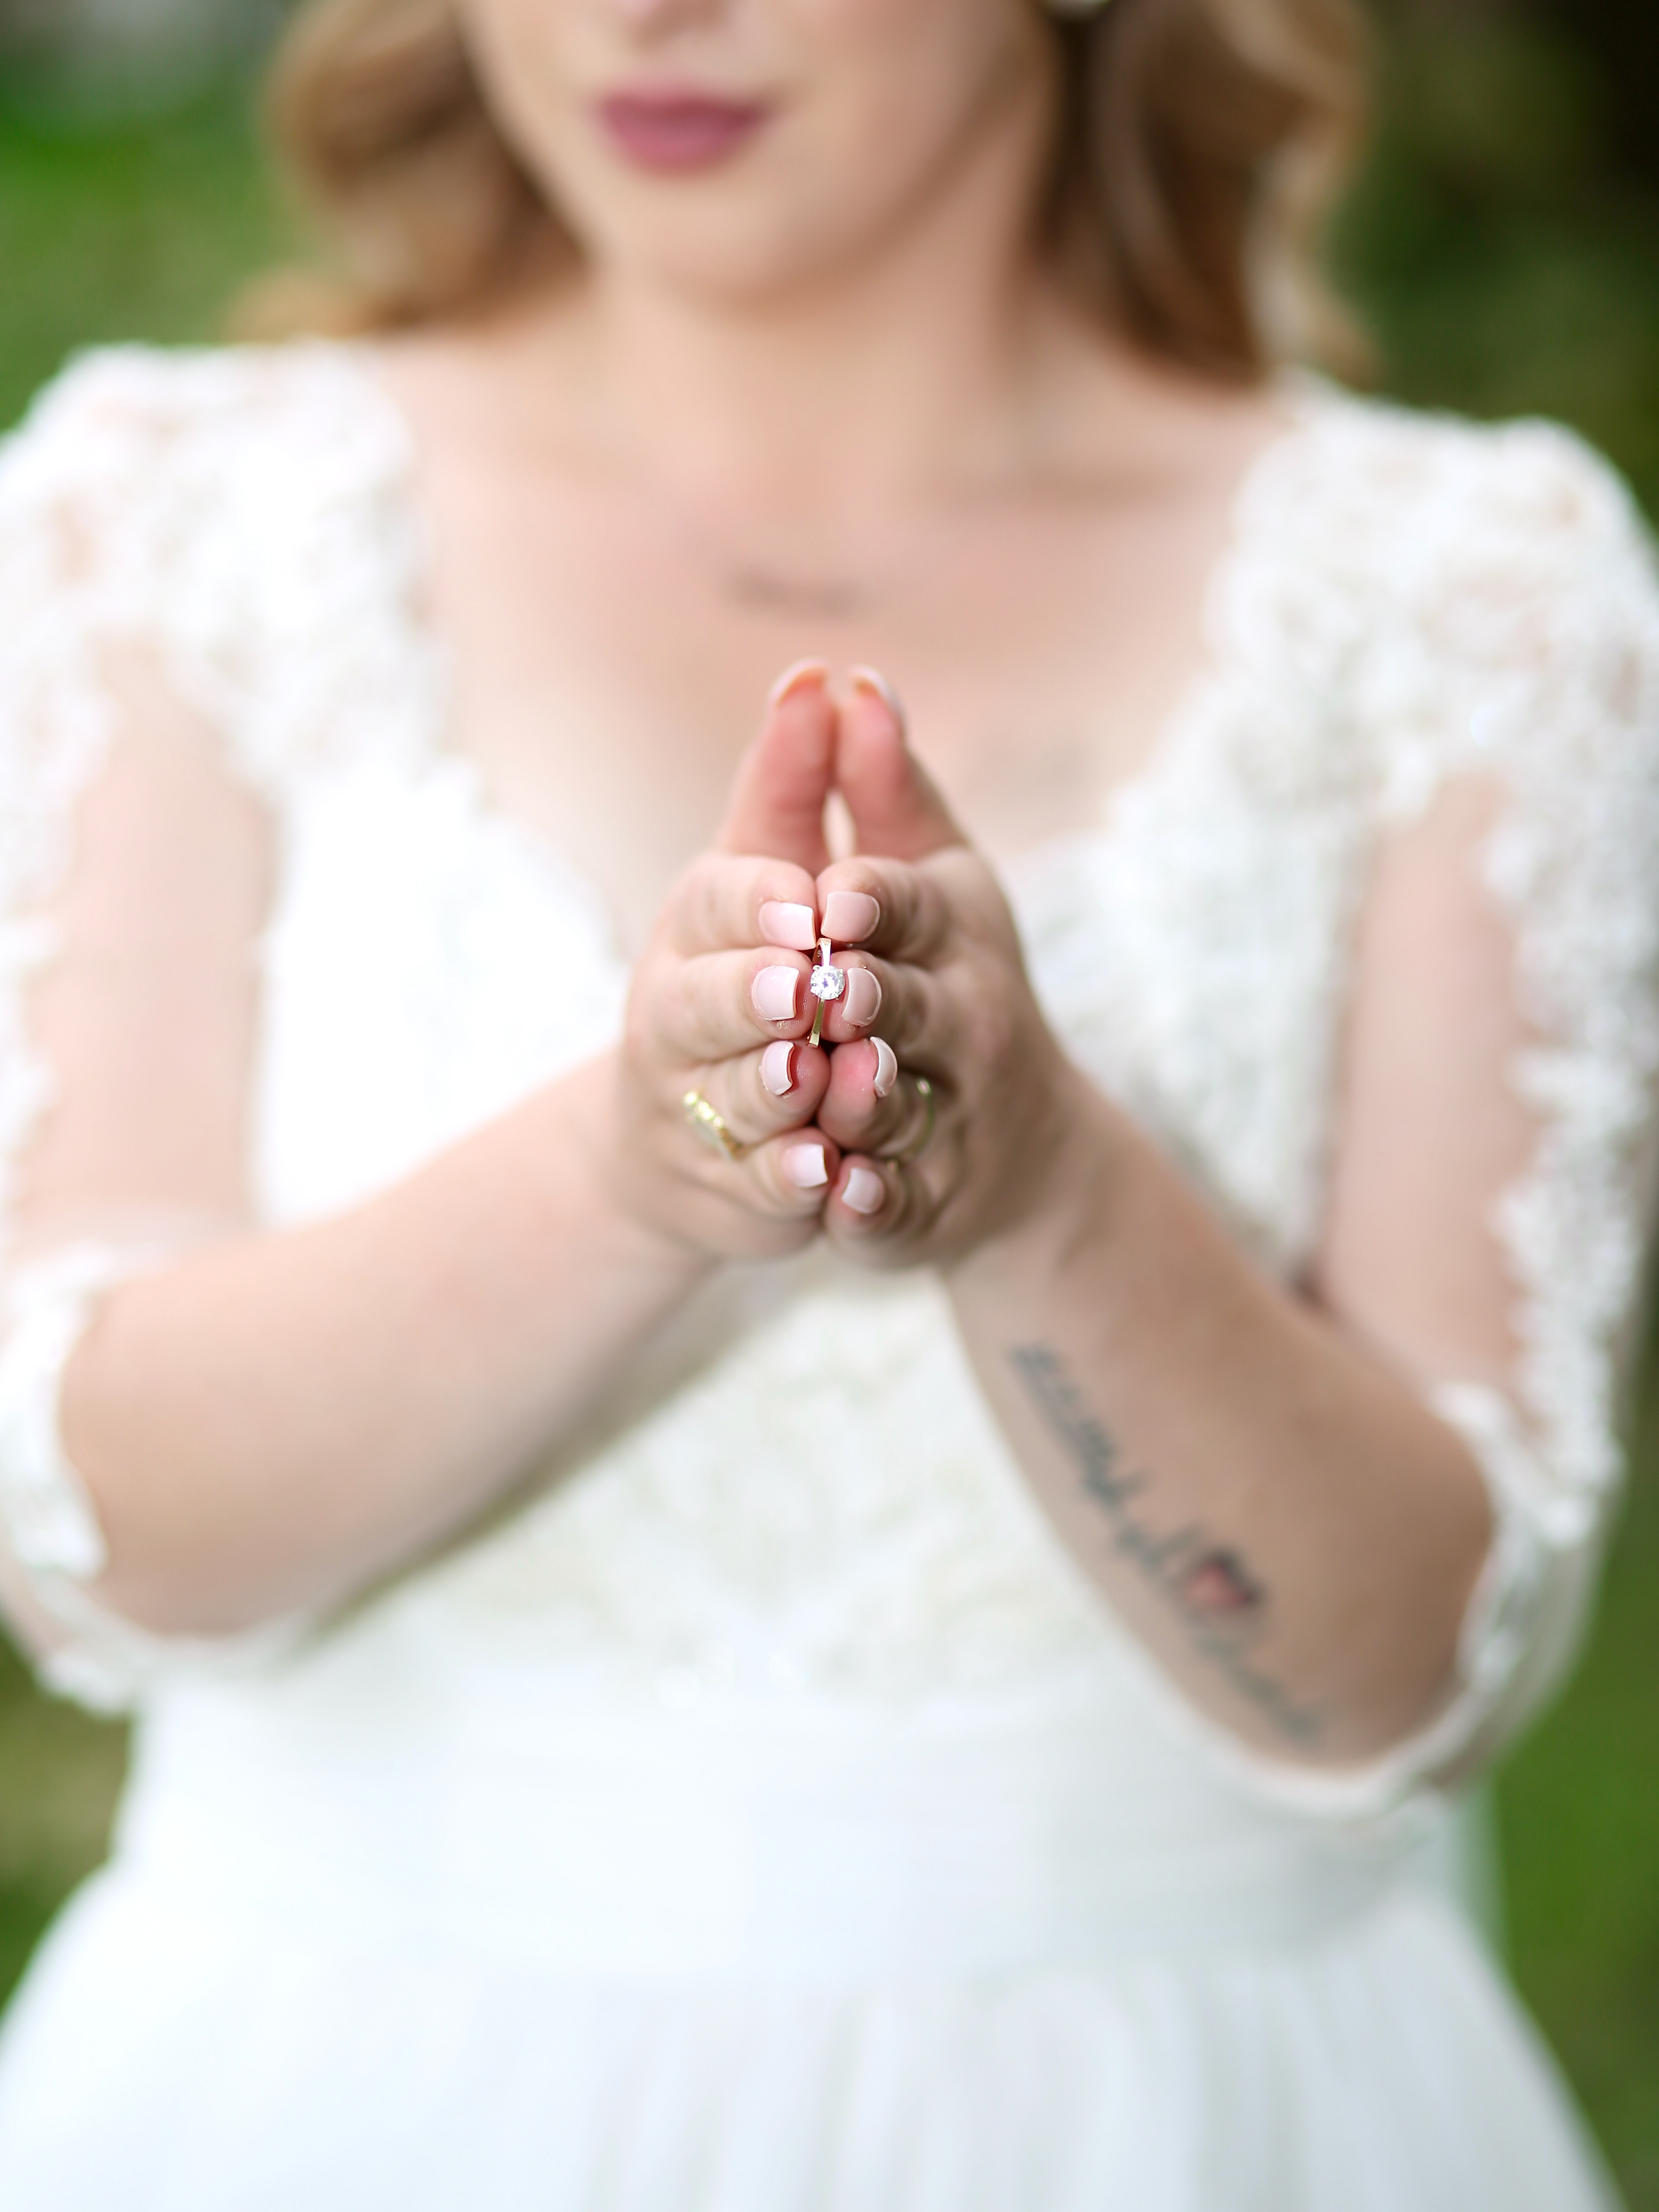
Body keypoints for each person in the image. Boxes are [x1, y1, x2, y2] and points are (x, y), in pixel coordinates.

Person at [0, 0, 1653, 2200]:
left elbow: (1402, 1677)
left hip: (1187, 2117)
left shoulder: (1473, 596)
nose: (644, 20)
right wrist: (627, 1174)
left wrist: (1043, 1190)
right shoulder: (170, 524)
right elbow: (95, 1544)